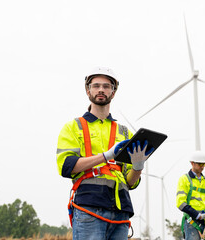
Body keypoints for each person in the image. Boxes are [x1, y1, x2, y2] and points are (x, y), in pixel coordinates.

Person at [56, 67, 151, 240]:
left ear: (113, 92)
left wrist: (138, 167)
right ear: (88, 90)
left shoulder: (125, 132)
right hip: (89, 208)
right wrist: (106, 156)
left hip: (121, 210)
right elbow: (66, 167)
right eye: (96, 85)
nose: (101, 89)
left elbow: (130, 183)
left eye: (107, 86)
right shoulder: (73, 127)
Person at [176, 151, 205, 240]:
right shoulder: (184, 179)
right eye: (200, 164)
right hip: (192, 222)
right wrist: (197, 215)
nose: (202, 167)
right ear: (192, 163)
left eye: (204, 164)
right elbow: (180, 203)